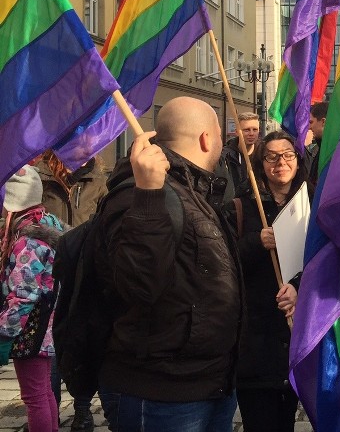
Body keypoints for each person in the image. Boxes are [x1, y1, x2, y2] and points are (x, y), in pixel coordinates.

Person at [95, 97, 243, 432]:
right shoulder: (141, 189)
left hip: (210, 381)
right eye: (220, 134)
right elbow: (137, 285)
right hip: (162, 392)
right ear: (207, 139)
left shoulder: (194, 188)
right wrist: (148, 194)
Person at [232, 130, 308, 432]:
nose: (280, 162)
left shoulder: (310, 202)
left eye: (287, 155)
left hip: (295, 335)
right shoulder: (242, 205)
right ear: (261, 163)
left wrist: (299, 289)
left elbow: (324, 261)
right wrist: (255, 242)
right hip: (255, 339)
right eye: (272, 156)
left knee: (285, 419)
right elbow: (223, 261)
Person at [36, 152, 107, 432]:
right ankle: (48, 408)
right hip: (47, 270)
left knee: (80, 340)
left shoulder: (98, 182)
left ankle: (82, 408)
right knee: (49, 343)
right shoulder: (42, 180)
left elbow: (104, 224)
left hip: (83, 270)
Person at [0, 165, 64, 432]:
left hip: (31, 328)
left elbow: (22, 294)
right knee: (43, 392)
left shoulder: (27, 241)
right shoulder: (46, 223)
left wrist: (4, 331)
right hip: (47, 324)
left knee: (34, 396)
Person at [223, 111, 261, 197]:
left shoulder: (264, 154)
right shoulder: (225, 156)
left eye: (255, 130)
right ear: (237, 132)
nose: (251, 134)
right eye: (247, 130)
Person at [306, 102, 328, 187]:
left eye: (311, 122)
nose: (309, 127)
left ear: (323, 122)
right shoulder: (321, 147)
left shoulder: (332, 151)